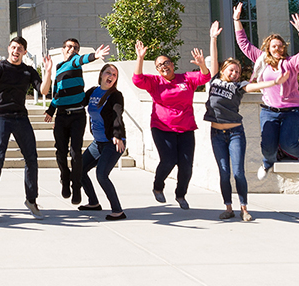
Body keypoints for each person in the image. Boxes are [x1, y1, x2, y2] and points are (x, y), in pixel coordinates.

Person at [206, 20, 290, 222]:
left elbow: (255, 86)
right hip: (216, 134)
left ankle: (244, 208)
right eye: (231, 70)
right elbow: (214, 58)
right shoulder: (214, 79)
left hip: (235, 133)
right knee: (224, 173)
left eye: (237, 71)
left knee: (238, 172)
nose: (234, 73)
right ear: (224, 69)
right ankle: (228, 208)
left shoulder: (239, 86)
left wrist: (274, 82)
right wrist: (213, 38)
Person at [233, 3, 299, 180]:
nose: (277, 48)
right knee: (267, 147)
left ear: (284, 48)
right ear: (268, 48)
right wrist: (236, 19)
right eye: (274, 46)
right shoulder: (261, 60)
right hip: (269, 112)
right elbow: (243, 43)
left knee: (289, 144)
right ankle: (268, 163)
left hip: (292, 112)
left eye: (280, 46)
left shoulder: (291, 63)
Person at [132, 40, 210, 210]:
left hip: (186, 128)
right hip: (162, 127)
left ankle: (181, 195)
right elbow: (137, 80)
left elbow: (205, 77)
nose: (163, 66)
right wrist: (140, 58)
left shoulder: (186, 79)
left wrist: (202, 65)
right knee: (168, 160)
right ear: (157, 69)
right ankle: (158, 186)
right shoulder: (155, 82)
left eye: (166, 62)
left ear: (173, 64)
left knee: (186, 166)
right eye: (159, 65)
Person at [0, 37, 45, 221]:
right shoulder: (0, 67)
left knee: (32, 158)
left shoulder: (28, 71)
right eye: (14, 47)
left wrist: (47, 72)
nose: (16, 51)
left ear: (25, 52)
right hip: (1, 117)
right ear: (9, 48)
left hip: (21, 117)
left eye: (20, 49)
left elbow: (43, 90)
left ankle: (31, 200)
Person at [41, 38, 110, 202]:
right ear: (63, 49)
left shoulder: (75, 62)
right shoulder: (58, 68)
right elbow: (57, 93)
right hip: (62, 116)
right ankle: (65, 178)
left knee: (76, 152)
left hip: (78, 116)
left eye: (76, 47)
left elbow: (82, 59)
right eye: (69, 46)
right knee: (60, 152)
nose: (72, 49)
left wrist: (95, 55)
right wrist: (51, 110)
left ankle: (76, 186)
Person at [74, 63, 128, 220]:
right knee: (80, 169)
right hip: (98, 143)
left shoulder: (115, 95)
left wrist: (117, 135)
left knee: (102, 175)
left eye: (114, 74)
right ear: (101, 74)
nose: (110, 76)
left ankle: (118, 210)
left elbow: (118, 116)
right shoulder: (92, 92)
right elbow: (78, 104)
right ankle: (93, 203)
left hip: (113, 142)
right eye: (108, 72)